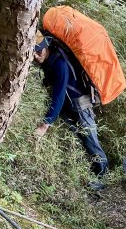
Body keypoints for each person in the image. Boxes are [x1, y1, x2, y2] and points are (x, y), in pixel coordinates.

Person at [33, 31, 109, 183]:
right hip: (69, 105)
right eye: (32, 53)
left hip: (81, 105)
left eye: (39, 51)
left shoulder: (60, 63)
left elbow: (59, 95)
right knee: (79, 140)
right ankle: (89, 176)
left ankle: (102, 179)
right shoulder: (50, 61)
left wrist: (45, 124)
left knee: (91, 142)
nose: (36, 56)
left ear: (46, 46)